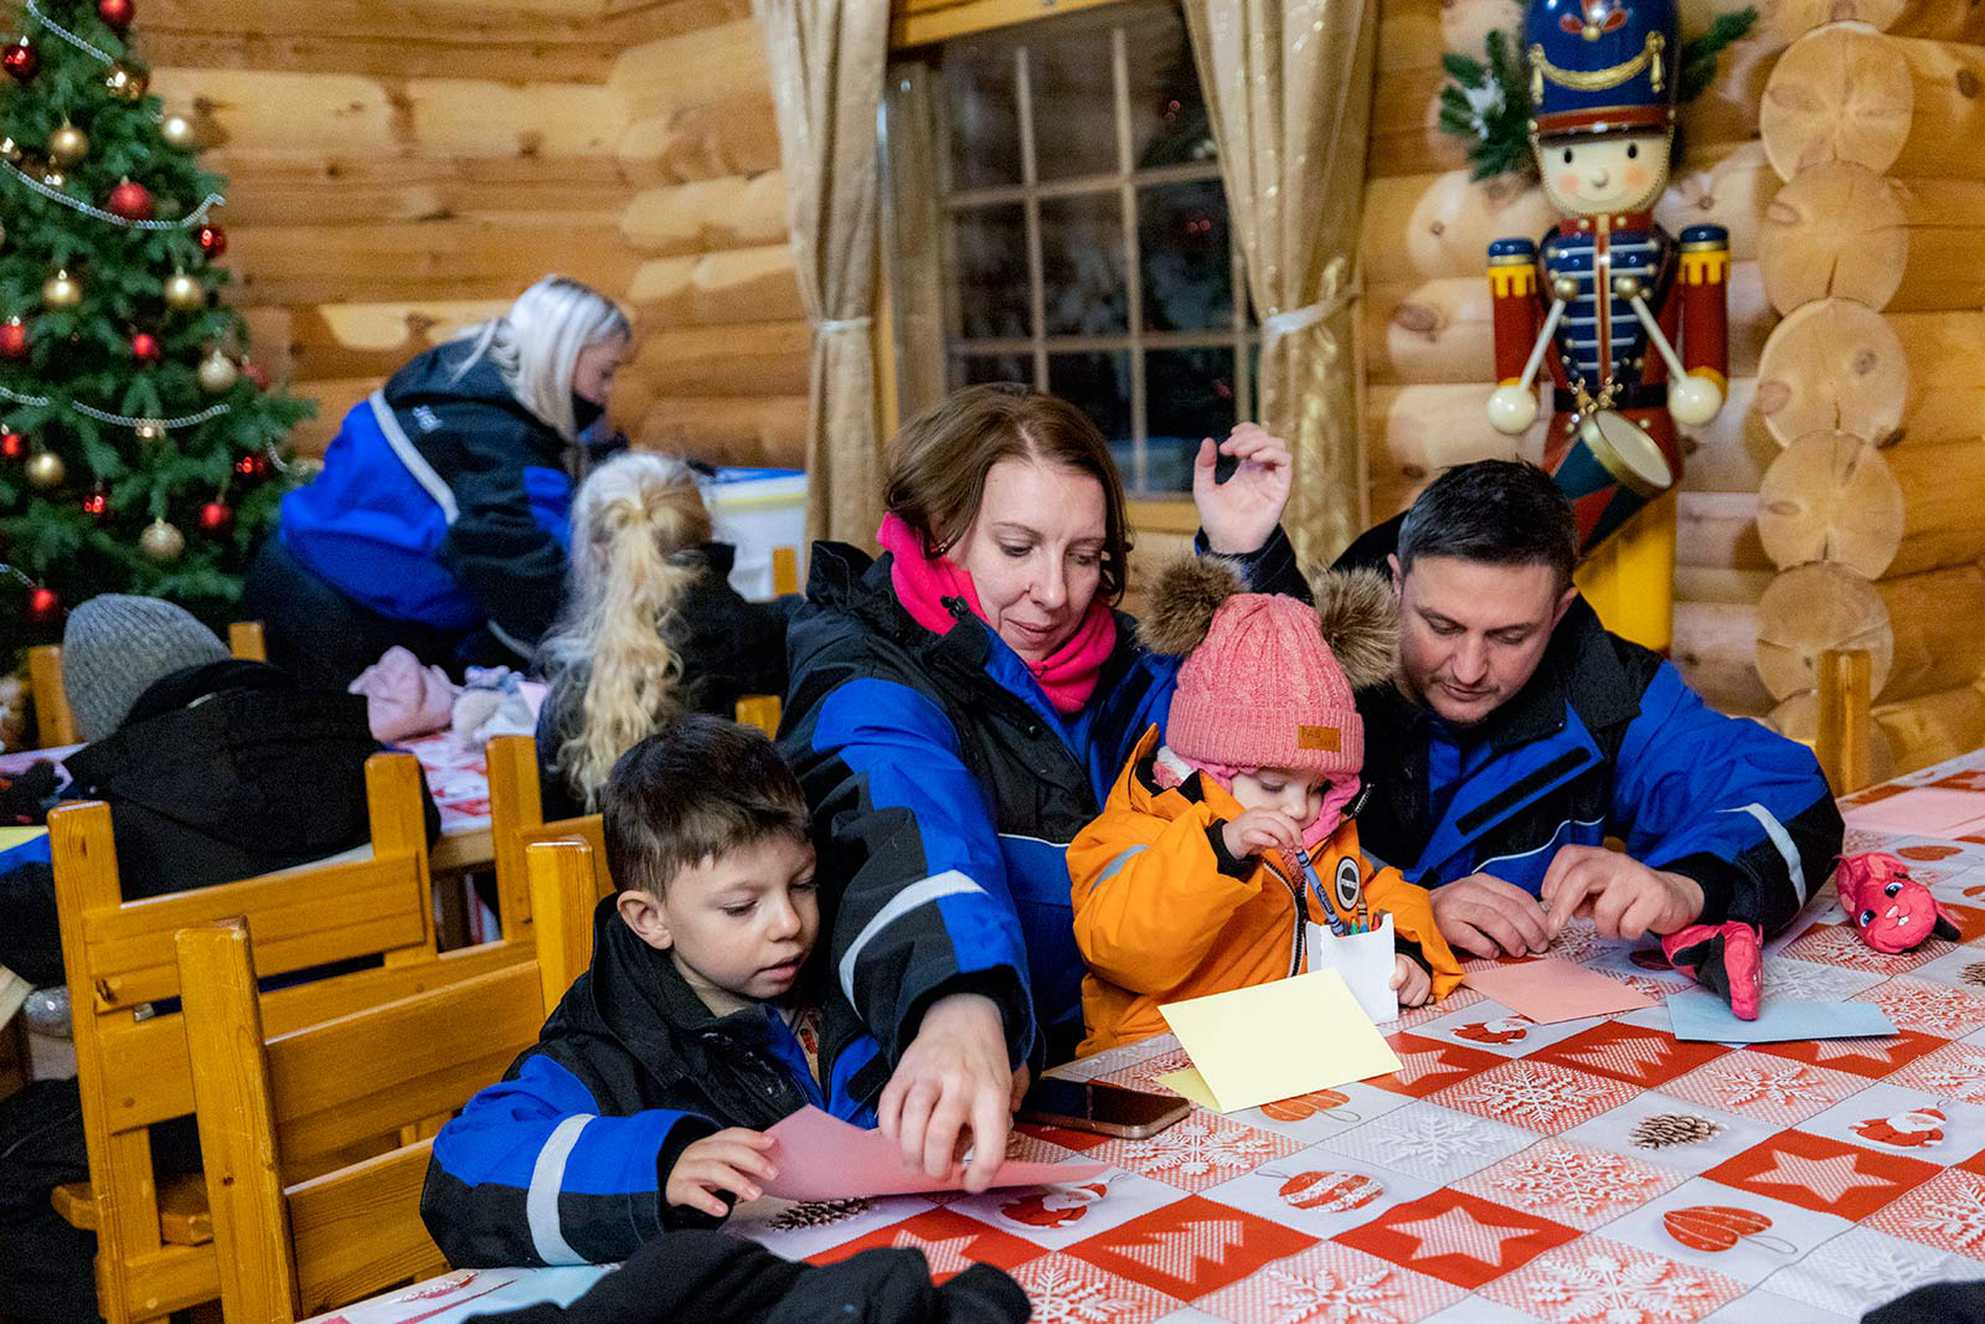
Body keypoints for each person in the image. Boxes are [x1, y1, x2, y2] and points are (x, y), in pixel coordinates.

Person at [780, 384, 1305, 1193]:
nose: (1055, 592)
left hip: (1128, 1081)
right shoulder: (863, 669)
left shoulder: (1122, 662)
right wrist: (957, 1001)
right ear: (937, 529)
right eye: (1017, 548)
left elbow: (1254, 735)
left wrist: (1237, 559)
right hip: (938, 1096)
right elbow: (900, 816)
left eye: (1085, 556)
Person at [0, 594, 434, 1324]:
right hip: (383, 1078)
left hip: (220, 1109)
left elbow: (23, 921)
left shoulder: (116, 827)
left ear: (106, 713)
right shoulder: (374, 763)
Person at [1334, 460, 1843, 1014]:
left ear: (1558, 613)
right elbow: (1237, 867)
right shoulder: (1305, 680)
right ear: (1396, 582)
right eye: (1442, 627)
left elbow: (1789, 792)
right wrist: (1407, 910)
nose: (1470, 668)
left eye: (1510, 636)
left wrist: (1687, 889)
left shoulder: (1609, 690)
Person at [421, 715, 886, 1267]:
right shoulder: (606, 1049)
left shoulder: (846, 973)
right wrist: (658, 1165)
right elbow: (460, 1174)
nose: (788, 922)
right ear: (649, 918)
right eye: (742, 907)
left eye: (803, 885)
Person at [1067, 557, 1464, 1056]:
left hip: (1285, 1062)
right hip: (1166, 1070)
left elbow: (1379, 894)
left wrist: (1405, 952)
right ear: (1203, 767)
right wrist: (1220, 852)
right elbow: (1121, 948)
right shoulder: (1139, 828)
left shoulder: (1323, 837)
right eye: (1273, 785)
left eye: (1320, 786)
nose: (1302, 807)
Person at [247, 275, 632, 689]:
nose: (606, 394)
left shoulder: (455, 373)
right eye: (605, 374)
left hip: (293, 566)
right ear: (562, 356)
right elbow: (530, 589)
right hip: (340, 623)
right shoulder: (495, 445)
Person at [535, 451, 796, 819]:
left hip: (623, 876)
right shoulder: (778, 637)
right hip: (755, 870)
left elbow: (557, 831)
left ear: (598, 553)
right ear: (706, 528)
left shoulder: (576, 688)